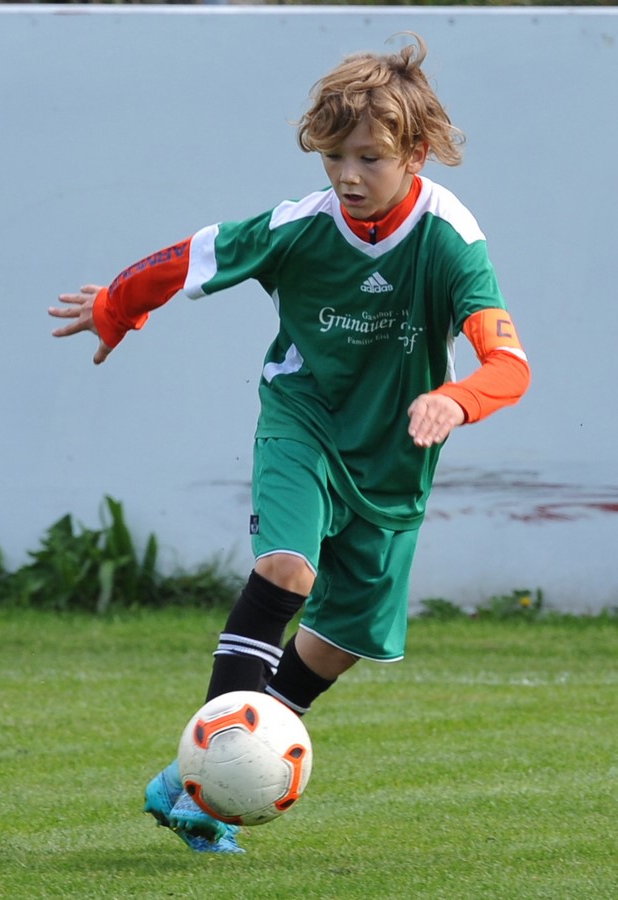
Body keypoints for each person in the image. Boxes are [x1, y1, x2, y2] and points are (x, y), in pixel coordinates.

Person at [49, 34, 530, 855]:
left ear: (415, 153)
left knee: (344, 638)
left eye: (369, 158)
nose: (348, 176)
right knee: (286, 568)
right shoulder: (301, 226)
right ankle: (210, 784)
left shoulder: (449, 238)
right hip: (302, 417)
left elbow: (508, 365)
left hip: (394, 456)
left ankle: (193, 777)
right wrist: (116, 308)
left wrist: (454, 401)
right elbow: (191, 258)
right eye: (334, 157)